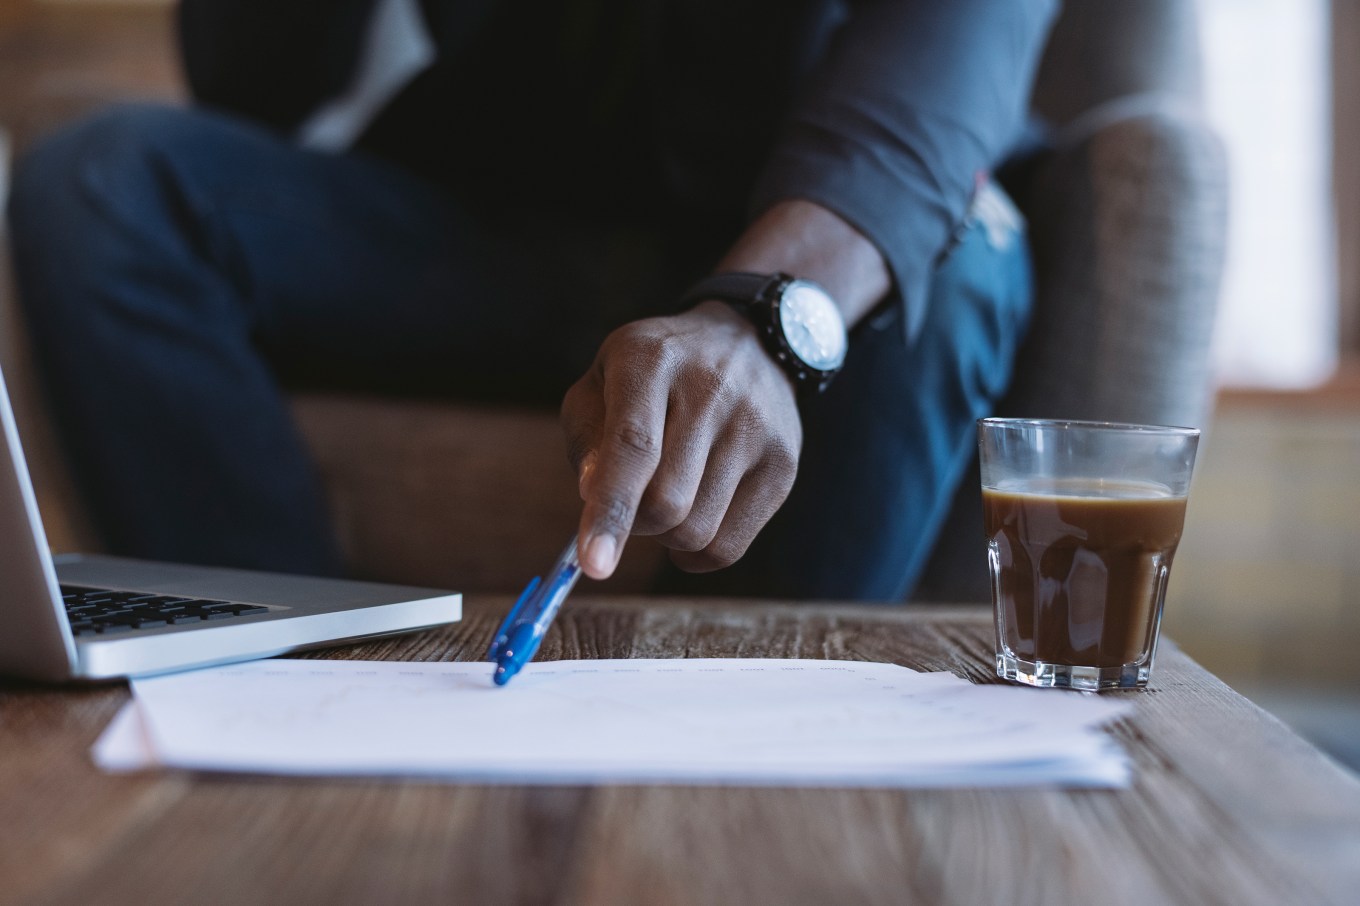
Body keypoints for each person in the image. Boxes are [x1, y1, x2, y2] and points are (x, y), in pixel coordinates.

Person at [6, 0, 1057, 601]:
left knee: (955, 268)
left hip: (812, 209)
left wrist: (764, 314)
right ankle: (297, 698)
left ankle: (738, 752)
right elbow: (254, 82)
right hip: (500, 219)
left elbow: (946, 59)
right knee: (104, 188)